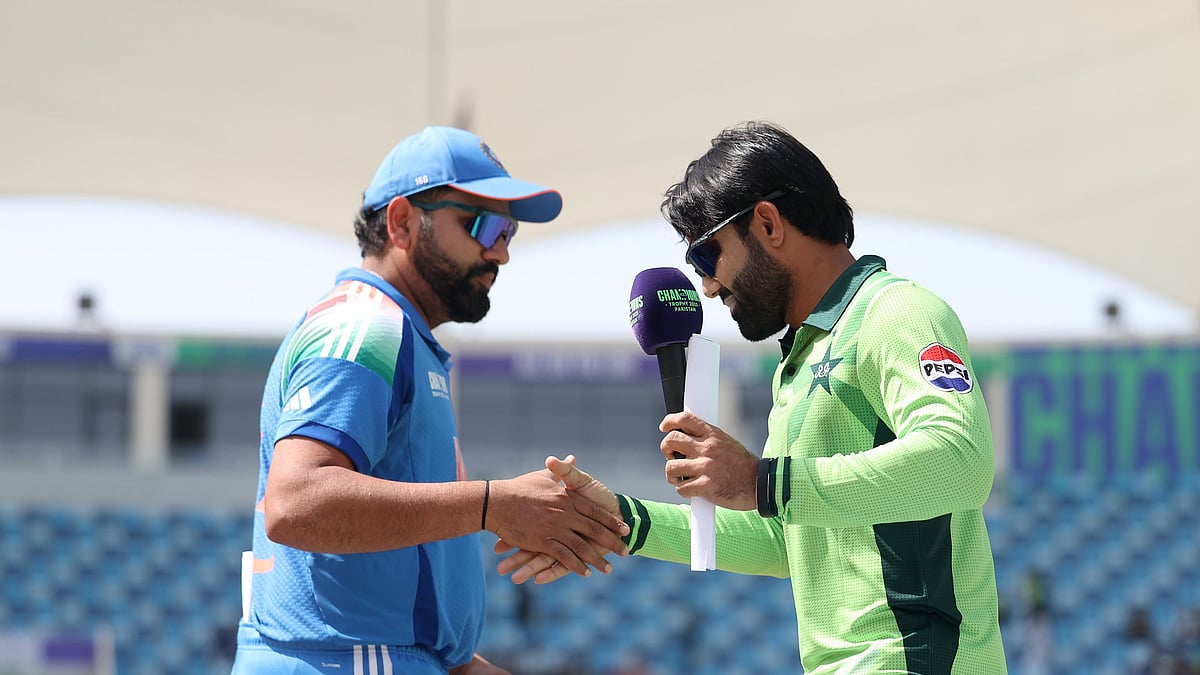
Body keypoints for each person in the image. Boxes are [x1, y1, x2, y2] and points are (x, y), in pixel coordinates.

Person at [499, 121, 1007, 673]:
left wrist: (762, 480)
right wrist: (622, 520)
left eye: (706, 257)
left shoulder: (898, 312)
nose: (708, 287)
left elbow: (963, 461)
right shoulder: (798, 361)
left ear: (766, 223)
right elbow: (785, 540)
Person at [231, 126, 630, 675]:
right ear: (401, 223)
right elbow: (296, 502)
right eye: (482, 224)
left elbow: (395, 601)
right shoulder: (366, 327)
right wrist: (494, 505)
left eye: (509, 232)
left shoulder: (400, 336)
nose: (500, 253)